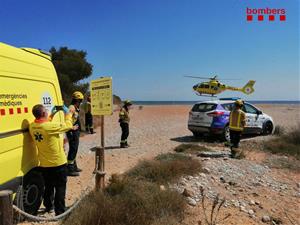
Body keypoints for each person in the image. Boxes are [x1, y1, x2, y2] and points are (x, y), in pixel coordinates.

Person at [29, 104, 77, 215]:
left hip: (45, 164)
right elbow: (68, 125)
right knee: (60, 188)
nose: (47, 111)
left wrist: (51, 114)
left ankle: (49, 207)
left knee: (48, 187)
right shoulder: (49, 127)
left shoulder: (32, 126)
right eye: (46, 110)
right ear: (43, 113)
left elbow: (44, 122)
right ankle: (60, 212)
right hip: (58, 164)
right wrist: (69, 112)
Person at [66, 91, 84, 176]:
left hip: (75, 131)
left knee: (75, 149)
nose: (80, 102)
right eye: (80, 101)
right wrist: (71, 127)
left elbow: (76, 119)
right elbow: (68, 119)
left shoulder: (76, 108)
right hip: (71, 131)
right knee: (73, 149)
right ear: (77, 100)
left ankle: (74, 166)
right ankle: (70, 169)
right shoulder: (71, 108)